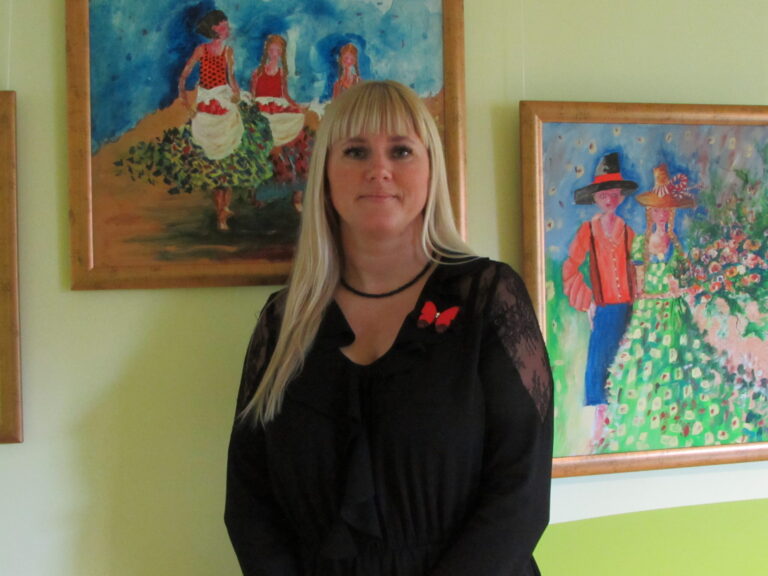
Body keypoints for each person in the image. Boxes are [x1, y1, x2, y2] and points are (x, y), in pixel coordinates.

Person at [225, 80, 553, 575]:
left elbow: (520, 494)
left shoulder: (489, 298)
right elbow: (249, 503)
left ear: (431, 169)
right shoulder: (283, 320)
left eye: (401, 150)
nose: (379, 169)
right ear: (325, 175)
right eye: (355, 151)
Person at [597, 165, 761, 452]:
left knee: (683, 364)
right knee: (646, 368)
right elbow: (638, 288)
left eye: (667, 210)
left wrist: (680, 290)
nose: (662, 214)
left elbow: (685, 281)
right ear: (651, 212)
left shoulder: (676, 244)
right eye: (658, 210)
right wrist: (655, 297)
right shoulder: (641, 244)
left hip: (674, 311)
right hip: (649, 313)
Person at [561, 152, 637, 442]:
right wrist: (588, 301)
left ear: (621, 197)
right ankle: (600, 431)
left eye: (614, 194)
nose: (609, 199)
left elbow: (637, 268)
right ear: (595, 198)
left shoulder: (628, 232)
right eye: (604, 194)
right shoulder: (588, 231)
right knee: (600, 369)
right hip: (604, 312)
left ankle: (623, 426)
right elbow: (570, 267)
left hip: (629, 309)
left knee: (625, 364)